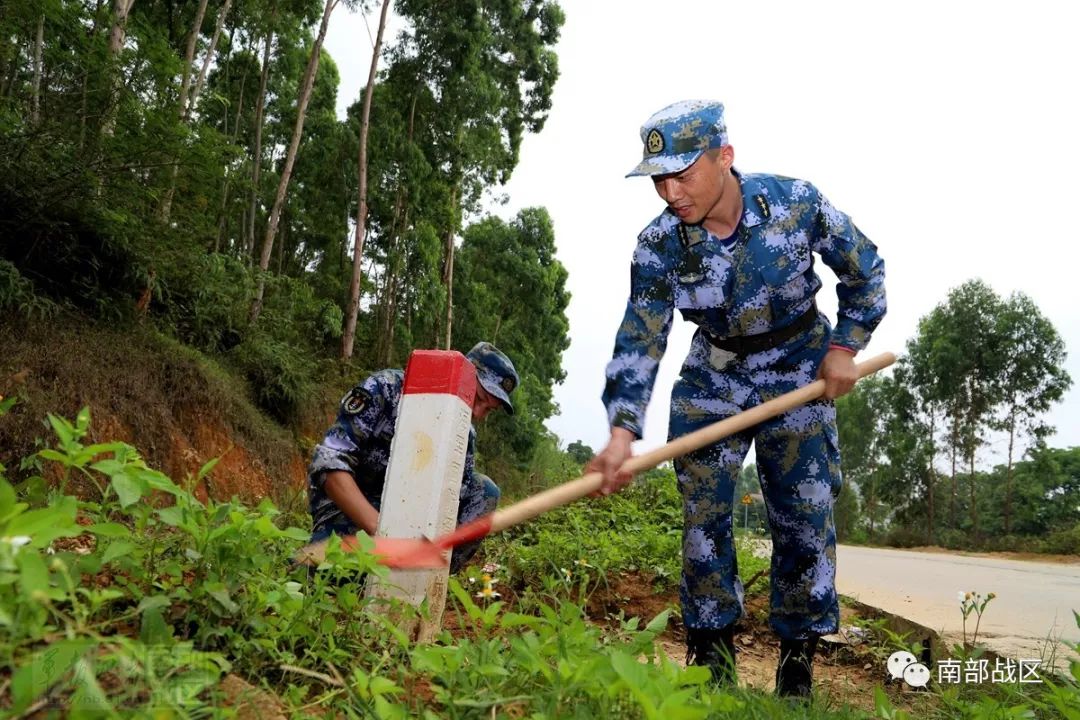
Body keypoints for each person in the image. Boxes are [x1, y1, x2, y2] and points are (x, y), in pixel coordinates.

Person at [586, 100, 886, 697]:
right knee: (704, 516)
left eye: (683, 172)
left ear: (725, 157)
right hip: (714, 374)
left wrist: (845, 346)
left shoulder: (795, 204)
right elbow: (640, 338)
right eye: (658, 179)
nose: (670, 192)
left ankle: (797, 662)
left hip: (800, 364)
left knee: (803, 517)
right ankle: (712, 656)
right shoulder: (659, 245)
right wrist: (621, 432)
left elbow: (866, 270)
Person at [306, 342, 519, 573]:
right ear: (459, 375)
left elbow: (451, 502)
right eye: (477, 398)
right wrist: (382, 532)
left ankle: (428, 579)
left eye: (488, 410)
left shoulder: (464, 435)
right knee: (325, 577)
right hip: (352, 509)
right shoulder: (386, 389)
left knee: (484, 491)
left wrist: (424, 544)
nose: (477, 413)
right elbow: (329, 462)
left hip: (407, 521)